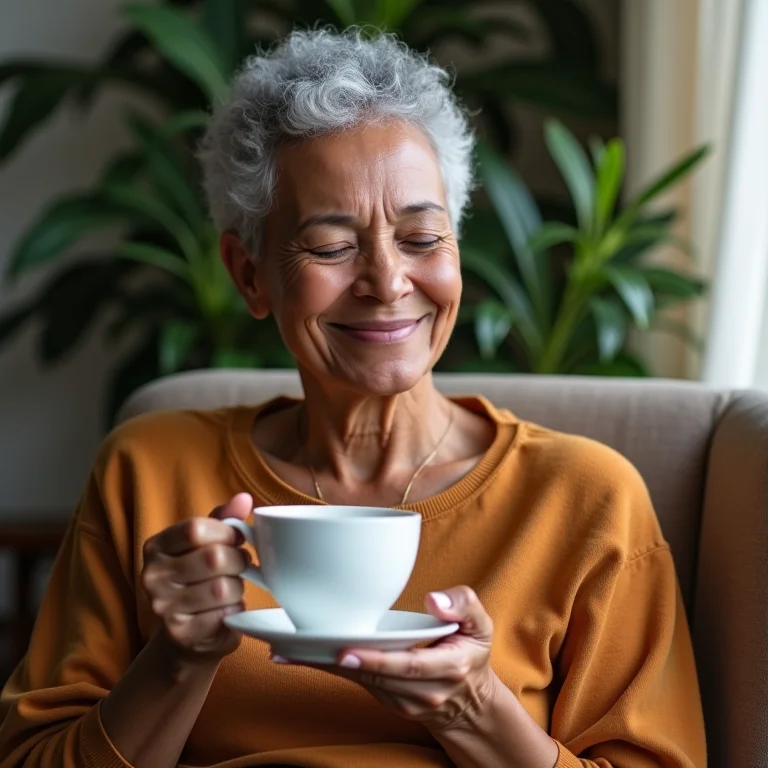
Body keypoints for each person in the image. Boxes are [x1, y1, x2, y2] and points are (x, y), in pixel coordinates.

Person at [0, 29, 706, 768]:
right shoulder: (150, 469)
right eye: (332, 246)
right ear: (249, 275)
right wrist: (177, 660)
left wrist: (474, 711)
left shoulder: (586, 500)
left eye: (422, 237)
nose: (388, 283)